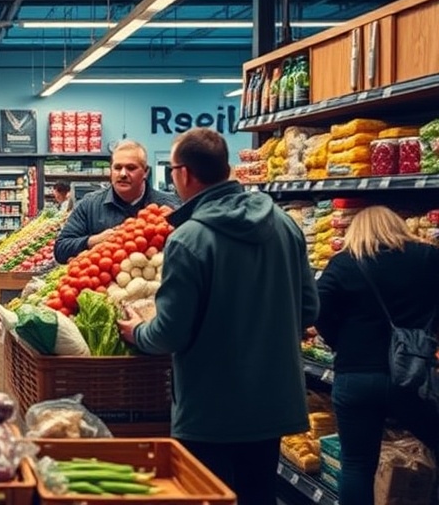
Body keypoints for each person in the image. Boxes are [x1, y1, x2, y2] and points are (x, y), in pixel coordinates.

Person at [117, 128, 318, 505]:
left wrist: (138, 332)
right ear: (226, 168)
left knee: (205, 496)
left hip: (211, 410)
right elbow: (309, 309)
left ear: (184, 174)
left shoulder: (189, 238)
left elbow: (170, 333)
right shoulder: (285, 224)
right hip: (273, 401)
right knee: (258, 494)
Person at [314, 206, 439, 505]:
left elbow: (317, 310)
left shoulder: (344, 263)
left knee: (357, 466)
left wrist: (340, 342)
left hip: (355, 374)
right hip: (412, 375)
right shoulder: (427, 257)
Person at [55, 140, 179, 263]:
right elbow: (60, 249)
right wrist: (94, 241)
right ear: (111, 170)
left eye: (131, 168)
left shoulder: (169, 206)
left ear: (146, 172)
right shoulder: (89, 205)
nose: (123, 174)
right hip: (102, 281)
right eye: (117, 167)